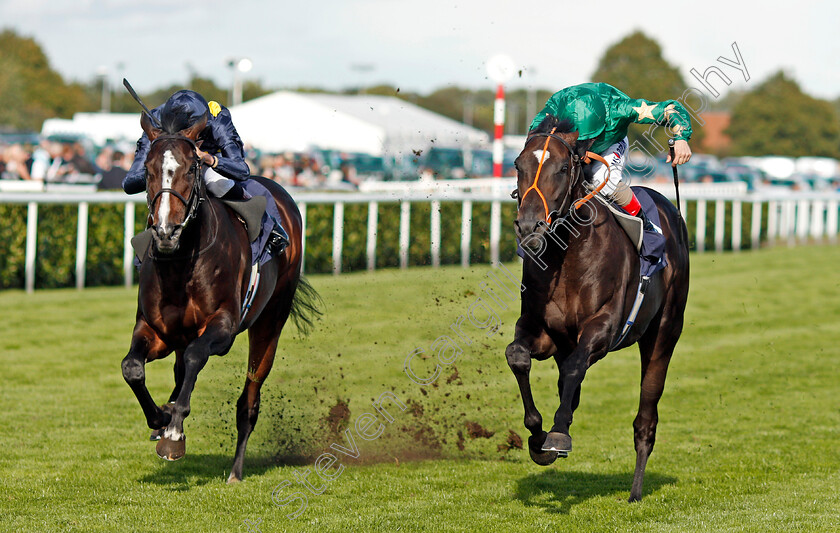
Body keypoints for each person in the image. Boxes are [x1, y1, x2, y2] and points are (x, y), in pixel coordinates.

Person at [123, 89, 288, 254]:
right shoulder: (155, 122)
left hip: (209, 163)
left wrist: (210, 160)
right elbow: (129, 184)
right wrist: (158, 168)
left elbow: (242, 170)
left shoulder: (217, 119)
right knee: (164, 184)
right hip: (175, 169)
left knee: (214, 180)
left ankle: (266, 223)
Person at [529, 82, 693, 232]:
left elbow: (671, 109)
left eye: (589, 139)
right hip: (567, 141)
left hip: (612, 142)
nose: (585, 144)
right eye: (582, 139)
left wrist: (681, 137)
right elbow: (533, 138)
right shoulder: (558, 104)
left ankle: (647, 226)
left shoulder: (621, 108)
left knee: (604, 180)